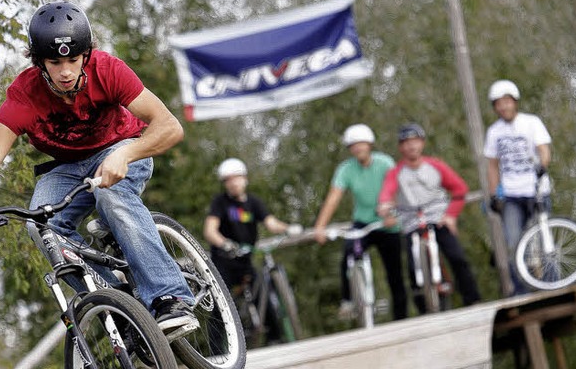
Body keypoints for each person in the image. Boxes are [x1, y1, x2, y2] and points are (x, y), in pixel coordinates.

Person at [0, 1, 198, 339]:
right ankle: (122, 307)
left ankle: (171, 296)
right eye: (55, 63)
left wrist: (128, 154)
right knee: (42, 227)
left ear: (86, 54)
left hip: (123, 147)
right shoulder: (24, 96)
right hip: (66, 168)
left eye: (73, 60)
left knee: (109, 193)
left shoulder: (108, 71)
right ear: (40, 62)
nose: (65, 71)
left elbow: (169, 127)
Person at [378, 123, 480, 312]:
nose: (411, 146)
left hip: (438, 218)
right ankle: (424, 310)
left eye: (415, 141)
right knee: (412, 266)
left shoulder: (436, 166)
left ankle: (472, 300)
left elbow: (460, 189)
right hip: (411, 221)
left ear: (422, 143)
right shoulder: (395, 173)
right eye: (406, 143)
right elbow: (387, 192)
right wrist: (384, 205)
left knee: (457, 258)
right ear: (400, 148)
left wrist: (451, 215)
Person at [313, 124, 407, 321]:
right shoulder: (346, 169)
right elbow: (334, 197)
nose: (357, 148)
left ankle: (402, 318)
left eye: (360, 144)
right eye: (352, 145)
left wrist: (393, 213)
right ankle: (348, 301)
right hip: (363, 223)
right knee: (348, 253)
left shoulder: (384, 162)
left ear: (369, 144)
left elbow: (396, 189)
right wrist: (320, 227)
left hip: (386, 223)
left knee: (395, 272)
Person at [483, 79, 552, 292]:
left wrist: (542, 165)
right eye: (498, 103)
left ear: (515, 101)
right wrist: (495, 194)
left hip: (536, 191)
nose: (503, 106)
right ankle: (520, 291)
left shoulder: (531, 122)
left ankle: (553, 284)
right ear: (495, 108)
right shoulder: (494, 132)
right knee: (514, 243)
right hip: (511, 195)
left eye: (507, 101)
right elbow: (493, 166)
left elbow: (544, 149)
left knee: (542, 240)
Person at [203, 157, 296, 290]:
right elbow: (210, 231)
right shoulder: (220, 202)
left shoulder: (254, 202)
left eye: (236, 178)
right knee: (223, 305)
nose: (233, 183)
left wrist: (289, 229)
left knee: (264, 298)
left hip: (245, 261)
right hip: (223, 262)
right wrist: (225, 244)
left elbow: (272, 224)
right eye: (228, 180)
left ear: (245, 178)